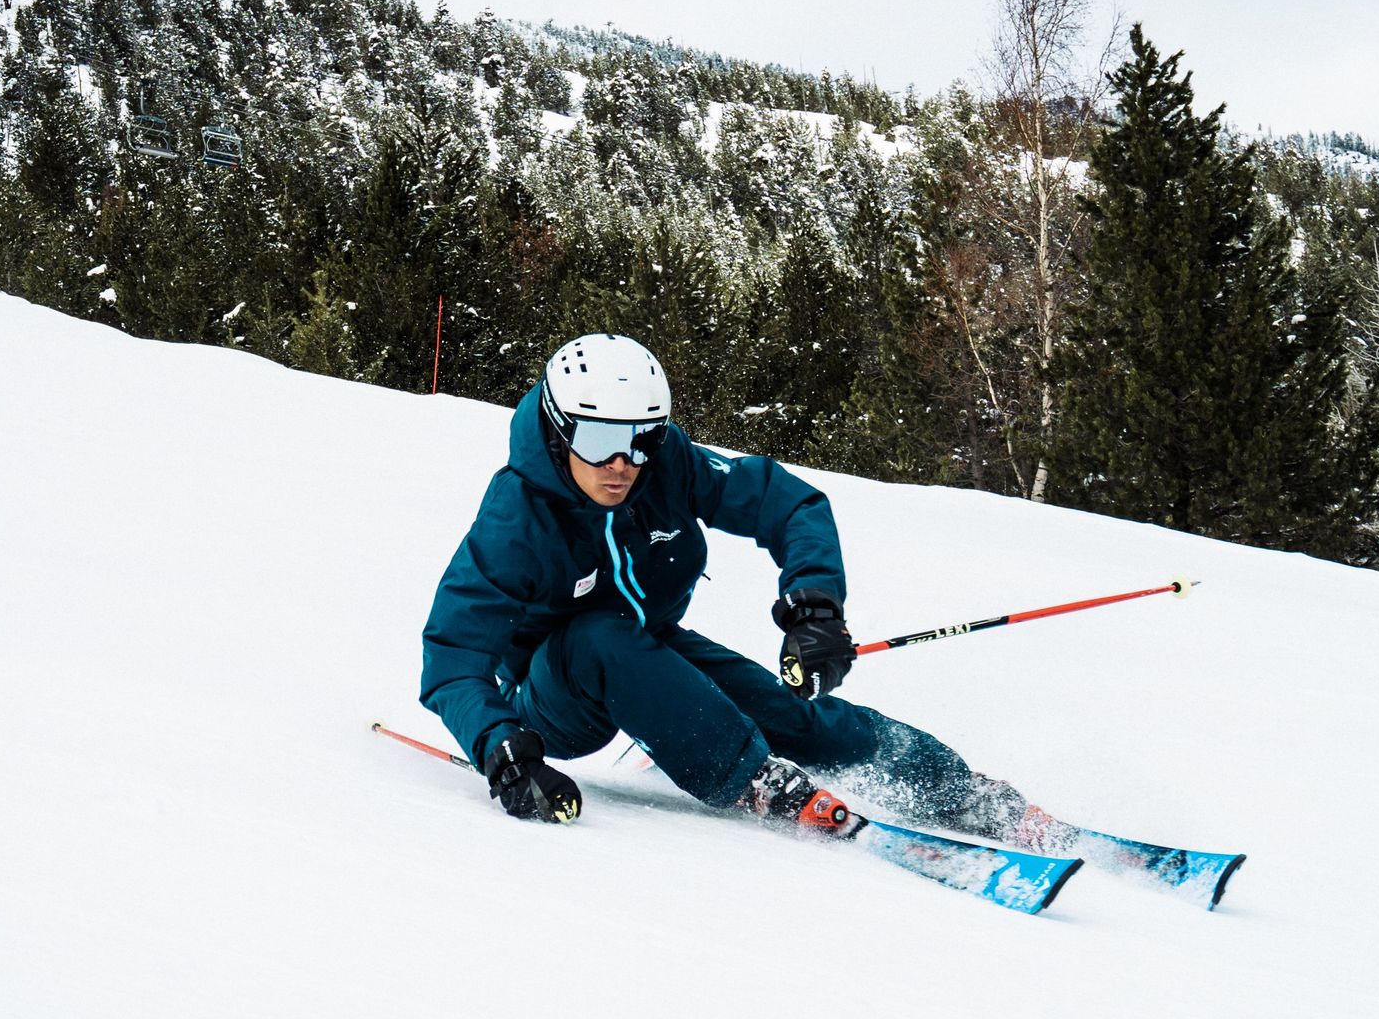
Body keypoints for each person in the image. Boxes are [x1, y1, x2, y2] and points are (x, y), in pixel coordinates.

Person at [420, 333, 1057, 838]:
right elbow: (452, 658)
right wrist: (501, 746)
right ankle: (755, 780)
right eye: (600, 440)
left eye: (641, 440)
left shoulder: (665, 466)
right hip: (547, 696)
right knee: (597, 636)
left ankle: (957, 791)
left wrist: (816, 609)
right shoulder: (517, 520)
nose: (622, 464)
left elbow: (787, 505)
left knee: (792, 717)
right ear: (560, 434)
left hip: (650, 648)